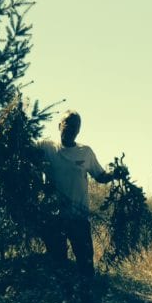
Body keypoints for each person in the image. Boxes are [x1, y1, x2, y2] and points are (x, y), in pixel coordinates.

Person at [38, 110, 125, 278]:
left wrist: (114, 174)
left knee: (85, 265)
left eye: (75, 127)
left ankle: (87, 299)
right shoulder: (46, 147)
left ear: (79, 130)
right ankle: (65, 300)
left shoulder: (85, 152)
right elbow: (26, 153)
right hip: (54, 218)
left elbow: (100, 176)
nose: (70, 129)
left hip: (79, 218)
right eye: (67, 125)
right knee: (58, 265)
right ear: (59, 126)